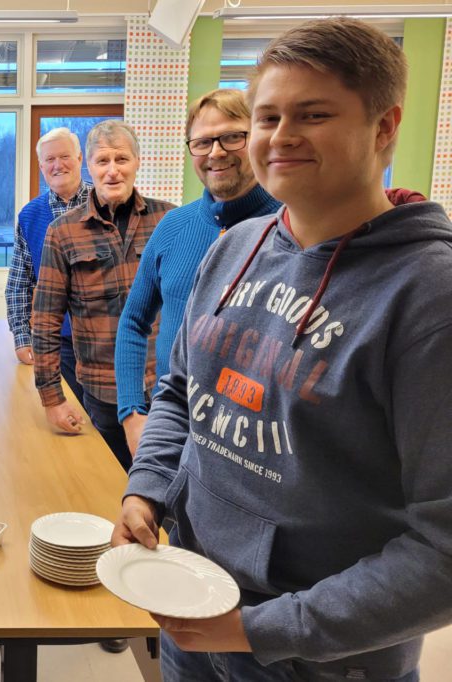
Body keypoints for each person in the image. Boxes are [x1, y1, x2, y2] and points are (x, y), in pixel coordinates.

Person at [114, 18, 452, 681]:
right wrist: (147, 490)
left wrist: (258, 630)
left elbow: (443, 545)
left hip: (322, 657)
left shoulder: (429, 296)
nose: (281, 136)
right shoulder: (232, 250)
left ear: (385, 127)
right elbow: (182, 391)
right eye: (268, 116)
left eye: (313, 114)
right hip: (192, 600)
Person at [115, 90, 281, 454]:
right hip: (171, 429)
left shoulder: (292, 227)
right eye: (203, 142)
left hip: (250, 446)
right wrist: (132, 413)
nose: (216, 152)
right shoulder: (173, 226)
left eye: (232, 136)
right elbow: (132, 322)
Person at [31, 120, 175, 471]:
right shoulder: (63, 232)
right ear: (89, 166)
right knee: (106, 484)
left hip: (164, 389)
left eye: (122, 160)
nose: (112, 171)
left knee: (166, 485)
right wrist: (53, 399)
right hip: (102, 392)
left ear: (138, 162)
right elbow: (46, 319)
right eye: (102, 161)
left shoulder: (170, 221)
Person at [5, 127, 91, 404]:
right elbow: (20, 281)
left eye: (65, 156)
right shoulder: (30, 215)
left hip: (108, 341)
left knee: (106, 421)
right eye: (49, 160)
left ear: (80, 159)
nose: (57, 165)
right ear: (41, 166)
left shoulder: (106, 203)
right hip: (58, 341)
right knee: (68, 415)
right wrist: (21, 336)